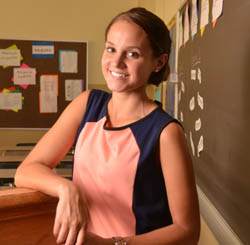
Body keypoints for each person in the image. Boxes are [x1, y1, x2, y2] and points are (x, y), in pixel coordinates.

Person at [15, 7, 200, 245]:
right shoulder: (87, 104)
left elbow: (187, 232)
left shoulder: (165, 132)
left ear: (158, 62)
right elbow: (26, 171)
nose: (116, 62)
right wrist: (66, 188)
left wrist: (112, 244)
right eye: (111, 49)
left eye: (132, 54)